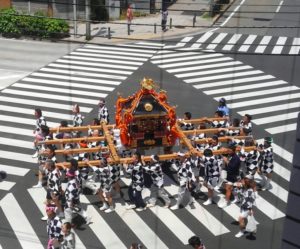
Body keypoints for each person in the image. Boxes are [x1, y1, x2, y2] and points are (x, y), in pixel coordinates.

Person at [218, 142, 241, 208]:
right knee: (231, 188)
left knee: (228, 188)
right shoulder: (230, 154)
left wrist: (226, 161)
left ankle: (226, 203)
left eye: (229, 150)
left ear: (233, 150)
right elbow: (224, 152)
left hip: (233, 175)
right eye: (228, 150)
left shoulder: (236, 159)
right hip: (229, 174)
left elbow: (232, 167)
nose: (228, 151)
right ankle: (237, 198)